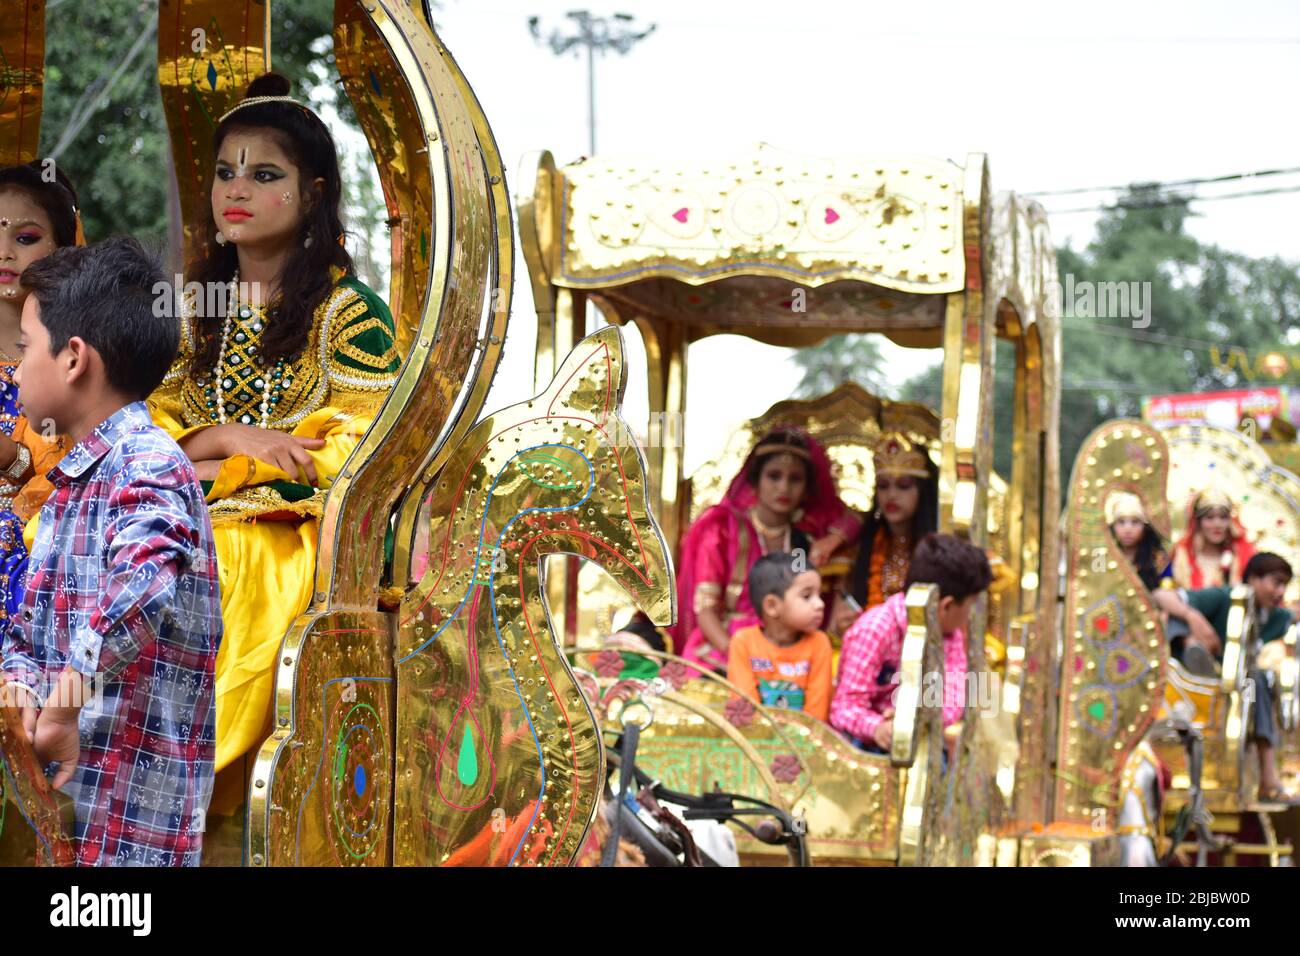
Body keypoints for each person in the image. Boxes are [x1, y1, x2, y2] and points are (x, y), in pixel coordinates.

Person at [147, 72, 401, 811]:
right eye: (227, 173)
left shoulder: (346, 313)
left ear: (312, 193)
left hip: (292, 530)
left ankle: (179, 780)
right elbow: (143, 425)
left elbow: (360, 442)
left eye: (265, 175)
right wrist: (225, 439)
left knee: (228, 557)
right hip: (184, 501)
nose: (238, 189)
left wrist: (234, 469)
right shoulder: (192, 310)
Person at [1, 237, 222, 865]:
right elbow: (27, 633)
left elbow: (141, 588)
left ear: (73, 358)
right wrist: (20, 696)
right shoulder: (74, 482)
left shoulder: (145, 461)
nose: (15, 370)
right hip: (67, 823)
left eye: (24, 348)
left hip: (131, 830)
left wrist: (64, 707)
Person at [671, 427, 859, 671]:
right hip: (725, 649)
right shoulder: (721, 529)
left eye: (795, 479)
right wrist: (743, 663)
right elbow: (705, 611)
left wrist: (833, 540)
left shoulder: (803, 540)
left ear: (806, 488)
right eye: (774, 476)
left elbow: (859, 520)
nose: (784, 487)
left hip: (788, 654)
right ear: (755, 481)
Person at [0, 163, 81, 625]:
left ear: (61, 249)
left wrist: (10, 456)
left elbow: (74, 462)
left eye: (25, 238)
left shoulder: (74, 350)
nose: (3, 253)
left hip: (36, 520)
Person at [1153, 552, 1298, 803]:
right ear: (1253, 579)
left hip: (1239, 690)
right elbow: (1159, 595)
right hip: (1192, 683)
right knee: (1178, 618)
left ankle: (1266, 773)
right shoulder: (1224, 597)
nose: (1280, 591)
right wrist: (1193, 617)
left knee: (1259, 680)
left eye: (1285, 584)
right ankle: (1192, 650)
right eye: (1276, 582)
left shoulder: (1276, 617)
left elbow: (1294, 615)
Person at [830, 533, 992, 752]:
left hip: (922, 738)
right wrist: (879, 727)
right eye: (970, 605)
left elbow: (954, 694)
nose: (970, 614)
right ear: (946, 606)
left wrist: (919, 716)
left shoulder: (949, 633)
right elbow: (845, 708)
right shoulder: (874, 630)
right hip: (868, 747)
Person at [830, 431, 938, 634]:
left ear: (923, 493)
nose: (892, 495)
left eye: (903, 486)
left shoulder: (939, 552)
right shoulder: (859, 550)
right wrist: (842, 626)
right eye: (883, 486)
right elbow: (834, 625)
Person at [726, 552, 833, 721]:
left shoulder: (819, 643)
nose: (820, 604)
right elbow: (745, 708)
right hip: (755, 739)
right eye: (807, 596)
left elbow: (816, 717)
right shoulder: (743, 642)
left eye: (819, 595)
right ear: (772, 605)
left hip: (804, 742)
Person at [1169, 487, 1254, 589]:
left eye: (1223, 517)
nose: (1217, 524)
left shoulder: (1239, 557)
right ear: (1197, 522)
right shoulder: (1181, 555)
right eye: (1210, 517)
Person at [1107, 491, 1169, 592]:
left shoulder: (1158, 556)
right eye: (1121, 522)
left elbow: (1169, 590)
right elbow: (1094, 586)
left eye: (1135, 522)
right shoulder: (1101, 554)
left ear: (1146, 526)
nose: (1127, 529)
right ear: (1112, 526)